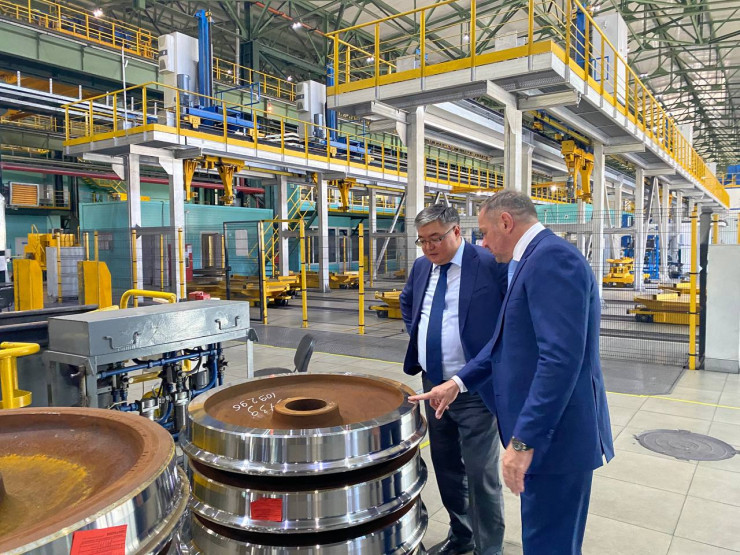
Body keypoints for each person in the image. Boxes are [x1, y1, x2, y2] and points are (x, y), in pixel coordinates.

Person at [411, 191, 614, 554]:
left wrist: (523, 441)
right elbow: (504, 342)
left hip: (555, 438)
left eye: (485, 232)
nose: (483, 243)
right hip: (544, 434)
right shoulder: (529, 260)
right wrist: (457, 383)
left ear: (506, 222)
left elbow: (560, 361)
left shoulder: (551, 260)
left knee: (549, 544)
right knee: (543, 538)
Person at [400, 204, 507, 555]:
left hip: (473, 390)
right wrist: (420, 337)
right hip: (433, 387)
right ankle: (462, 537)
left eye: (436, 238)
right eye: (422, 240)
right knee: (446, 468)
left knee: (481, 476)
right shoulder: (422, 267)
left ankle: (489, 549)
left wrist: (466, 376)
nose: (429, 247)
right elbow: (408, 302)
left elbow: (506, 325)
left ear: (457, 232)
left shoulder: (488, 264)